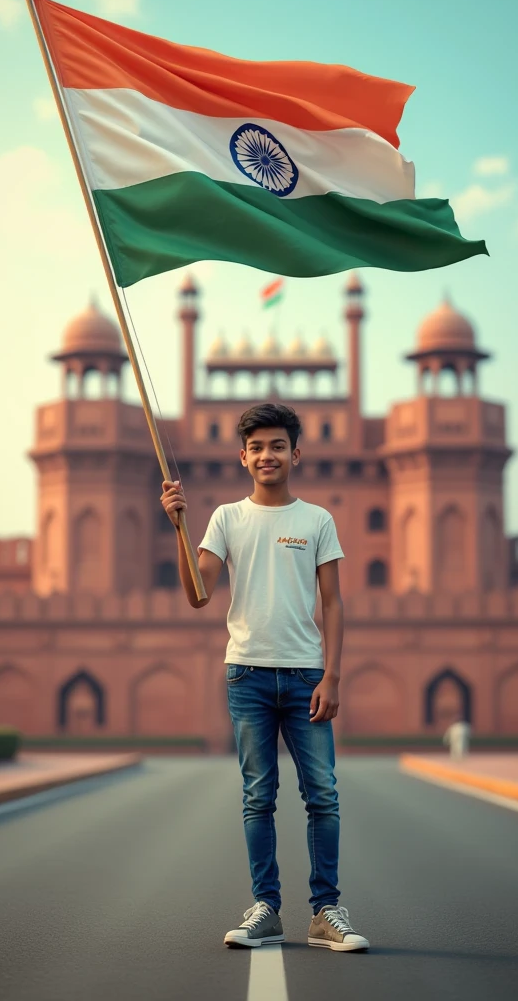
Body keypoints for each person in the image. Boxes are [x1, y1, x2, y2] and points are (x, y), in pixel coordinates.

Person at [160, 402, 369, 953]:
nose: (266, 454)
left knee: (322, 794)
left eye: (277, 445)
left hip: (304, 675)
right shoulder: (226, 518)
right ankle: (266, 909)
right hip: (247, 673)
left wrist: (333, 676)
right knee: (259, 796)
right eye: (256, 447)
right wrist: (179, 528)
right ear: (243, 456)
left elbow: (334, 603)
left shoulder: (317, 520)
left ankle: (326, 911)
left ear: (295, 454)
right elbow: (198, 595)